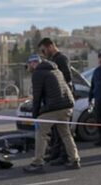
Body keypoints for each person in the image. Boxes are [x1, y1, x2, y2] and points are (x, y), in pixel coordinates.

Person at [23, 55, 80, 173]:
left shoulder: (38, 73)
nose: (28, 67)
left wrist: (35, 114)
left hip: (54, 107)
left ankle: (37, 163)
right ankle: (75, 159)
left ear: (34, 63)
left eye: (28, 64)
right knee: (65, 133)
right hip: (67, 105)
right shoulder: (55, 69)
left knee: (41, 133)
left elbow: (37, 96)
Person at [38, 37, 73, 165]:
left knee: (63, 130)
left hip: (62, 101)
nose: (43, 53)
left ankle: (64, 156)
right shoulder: (52, 60)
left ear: (50, 46)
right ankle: (55, 154)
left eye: (44, 50)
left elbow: (67, 78)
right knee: (56, 130)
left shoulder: (61, 59)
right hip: (55, 101)